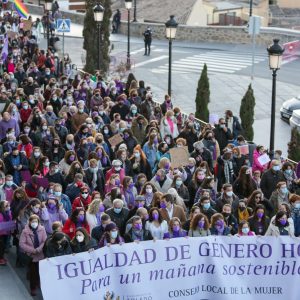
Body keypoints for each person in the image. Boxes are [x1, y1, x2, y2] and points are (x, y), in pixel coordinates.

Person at [19, 215, 47, 296]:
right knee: (33, 273)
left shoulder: (42, 229)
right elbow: (22, 243)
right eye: (33, 221)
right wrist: (33, 250)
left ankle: (39, 283)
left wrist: (39, 249)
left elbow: (44, 241)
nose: (34, 223)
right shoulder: (25, 231)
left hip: (41, 254)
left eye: (36, 222)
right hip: (31, 255)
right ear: (30, 222)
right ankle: (33, 288)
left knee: (40, 271)